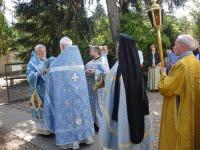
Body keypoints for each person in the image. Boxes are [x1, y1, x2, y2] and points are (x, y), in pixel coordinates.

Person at [99, 34, 153, 150]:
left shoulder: (121, 67)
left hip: (123, 109)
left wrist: (104, 80)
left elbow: (111, 82)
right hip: (136, 107)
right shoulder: (133, 64)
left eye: (119, 47)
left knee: (124, 129)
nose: (117, 49)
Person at [43, 36, 95, 149]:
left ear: (61, 47)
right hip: (80, 96)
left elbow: (51, 76)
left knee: (69, 116)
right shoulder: (78, 59)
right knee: (81, 114)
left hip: (66, 97)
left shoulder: (58, 62)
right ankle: (86, 137)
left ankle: (72, 142)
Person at [158, 34, 200, 149]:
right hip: (192, 107)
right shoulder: (196, 62)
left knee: (180, 139)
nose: (174, 47)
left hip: (180, 108)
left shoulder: (182, 64)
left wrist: (163, 75)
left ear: (182, 46)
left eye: (175, 44)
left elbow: (167, 88)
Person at [26, 44, 51, 135]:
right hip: (38, 90)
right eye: (41, 52)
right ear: (37, 53)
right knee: (40, 108)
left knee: (49, 109)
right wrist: (39, 73)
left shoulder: (48, 61)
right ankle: (42, 130)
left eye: (44, 51)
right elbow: (29, 76)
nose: (44, 53)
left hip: (48, 90)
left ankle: (51, 128)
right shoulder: (32, 63)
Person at [85, 46, 110, 132]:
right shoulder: (89, 63)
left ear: (95, 52)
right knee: (92, 105)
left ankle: (101, 125)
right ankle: (94, 123)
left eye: (91, 51)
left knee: (100, 106)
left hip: (100, 88)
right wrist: (87, 72)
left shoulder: (102, 61)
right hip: (91, 88)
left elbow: (107, 72)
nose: (89, 52)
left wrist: (95, 72)